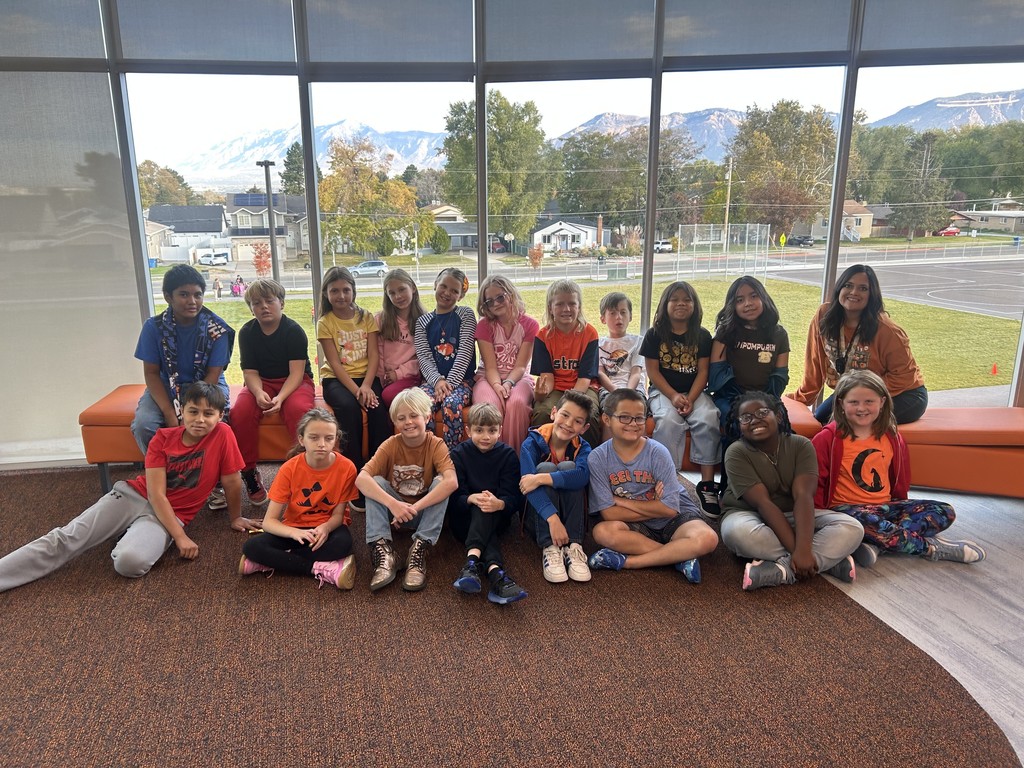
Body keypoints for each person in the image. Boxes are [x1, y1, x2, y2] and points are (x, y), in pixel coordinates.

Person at [0, 382, 262, 593]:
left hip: (169, 515)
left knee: (130, 563)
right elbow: (156, 493)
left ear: (219, 415)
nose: (200, 420)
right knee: (69, 537)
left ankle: (127, 534)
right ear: (181, 411)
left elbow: (230, 480)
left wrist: (235, 516)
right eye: (193, 411)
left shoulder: (224, 435)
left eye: (208, 414)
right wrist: (180, 538)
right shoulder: (162, 439)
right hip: (133, 497)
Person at [812, 370, 985, 566]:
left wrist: (901, 507)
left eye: (869, 401)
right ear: (841, 403)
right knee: (870, 522)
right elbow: (815, 482)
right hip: (846, 512)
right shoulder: (827, 439)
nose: (862, 408)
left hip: (885, 508)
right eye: (854, 402)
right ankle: (931, 549)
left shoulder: (892, 437)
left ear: (882, 402)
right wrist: (816, 520)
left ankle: (877, 543)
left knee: (944, 511)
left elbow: (900, 478)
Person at [720, 391, 864, 591]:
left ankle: (783, 570)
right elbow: (763, 504)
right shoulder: (736, 452)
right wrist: (800, 551)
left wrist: (804, 551)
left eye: (762, 412)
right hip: (750, 516)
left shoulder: (801, 445)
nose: (754, 420)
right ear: (740, 425)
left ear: (778, 416)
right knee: (736, 533)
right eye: (746, 418)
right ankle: (827, 561)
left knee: (853, 527)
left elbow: (804, 497)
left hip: (795, 514)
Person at [587, 389, 718, 583]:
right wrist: (657, 507)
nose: (633, 424)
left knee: (708, 538)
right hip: (637, 526)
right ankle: (678, 557)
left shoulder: (658, 452)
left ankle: (630, 562)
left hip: (677, 519)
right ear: (607, 419)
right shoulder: (597, 458)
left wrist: (622, 502)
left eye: (639, 418)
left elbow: (671, 509)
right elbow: (609, 514)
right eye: (624, 417)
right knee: (602, 532)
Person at [131, 265, 234, 509]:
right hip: (166, 385)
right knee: (144, 425)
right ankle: (166, 481)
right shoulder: (153, 327)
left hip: (206, 386)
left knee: (214, 423)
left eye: (198, 294)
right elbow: (152, 374)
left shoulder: (217, 329)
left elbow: (212, 375)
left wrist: (190, 411)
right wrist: (170, 413)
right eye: (184, 294)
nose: (192, 301)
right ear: (168, 297)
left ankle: (210, 483)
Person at [791, 263, 927, 424]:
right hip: (851, 391)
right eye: (848, 285)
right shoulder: (823, 316)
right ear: (839, 288)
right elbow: (814, 361)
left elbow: (905, 377)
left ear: (872, 295)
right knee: (820, 419)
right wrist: (800, 398)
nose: (854, 292)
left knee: (842, 422)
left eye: (863, 288)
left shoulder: (887, 330)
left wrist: (860, 395)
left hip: (905, 395)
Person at [239, 408, 359, 589]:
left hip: (325, 529)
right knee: (251, 547)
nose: (322, 444)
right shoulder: (289, 469)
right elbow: (269, 522)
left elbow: (338, 515)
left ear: (336, 439)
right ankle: (319, 568)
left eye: (329, 438)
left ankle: (272, 561)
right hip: (294, 528)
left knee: (343, 544)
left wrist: (325, 528)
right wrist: (295, 533)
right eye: (314, 437)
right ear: (302, 439)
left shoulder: (347, 468)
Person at [355, 388, 459, 592]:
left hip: (423, 514)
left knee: (442, 482)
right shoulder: (390, 445)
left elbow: (452, 482)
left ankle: (419, 549)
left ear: (427, 416)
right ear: (395, 422)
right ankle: (383, 551)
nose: (408, 422)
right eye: (401, 418)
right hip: (394, 516)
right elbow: (361, 479)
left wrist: (413, 508)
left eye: (414, 415)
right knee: (374, 481)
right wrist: (394, 505)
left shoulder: (436, 445)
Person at [230, 278, 315, 506]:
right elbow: (250, 371)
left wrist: (280, 398)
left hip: (294, 381)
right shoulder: (247, 332)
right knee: (240, 412)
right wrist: (258, 393)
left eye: (270, 301)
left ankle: (302, 469)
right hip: (261, 381)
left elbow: (296, 373)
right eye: (257, 303)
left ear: (282, 304)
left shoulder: (294, 330)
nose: (264, 306)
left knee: (298, 410)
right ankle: (248, 472)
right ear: (251, 308)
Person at [640, 281, 722, 518]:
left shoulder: (703, 336)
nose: (681, 304)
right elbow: (653, 372)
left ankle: (707, 485)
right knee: (667, 421)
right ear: (665, 305)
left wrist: (690, 398)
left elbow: (704, 372)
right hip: (663, 392)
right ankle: (667, 481)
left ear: (695, 305)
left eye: (687, 300)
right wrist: (674, 396)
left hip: (696, 392)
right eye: (674, 299)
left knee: (708, 417)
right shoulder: (654, 335)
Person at [317, 266, 390, 495]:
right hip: (337, 379)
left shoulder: (366, 317)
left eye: (346, 290)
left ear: (353, 291)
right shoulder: (325, 322)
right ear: (326, 294)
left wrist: (367, 386)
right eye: (334, 291)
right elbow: (335, 364)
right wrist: (357, 391)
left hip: (366, 376)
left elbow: (374, 355)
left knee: (378, 409)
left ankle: (377, 471)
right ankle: (355, 474)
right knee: (348, 409)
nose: (341, 296)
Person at [449, 403, 527, 604]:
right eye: (479, 430)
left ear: (500, 430)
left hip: (497, 518)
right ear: (468, 431)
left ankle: (472, 563)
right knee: (481, 504)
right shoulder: (458, 455)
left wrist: (499, 504)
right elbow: (453, 500)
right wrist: (470, 499)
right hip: (464, 523)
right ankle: (496, 574)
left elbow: (513, 499)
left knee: (486, 505)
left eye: (492, 431)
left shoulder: (508, 455)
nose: (486, 436)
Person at [520, 389, 594, 584]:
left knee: (569, 467)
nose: (569, 424)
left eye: (577, 421)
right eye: (565, 415)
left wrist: (541, 479)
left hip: (571, 518)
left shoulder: (583, 447)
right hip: (540, 518)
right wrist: (553, 520)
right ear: (554, 413)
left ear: (584, 428)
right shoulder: (532, 442)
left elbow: (582, 477)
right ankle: (550, 548)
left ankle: (574, 546)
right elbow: (527, 486)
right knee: (545, 466)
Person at [709, 276, 789, 427]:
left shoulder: (779, 334)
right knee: (739, 423)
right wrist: (742, 401)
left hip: (767, 397)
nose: (748, 304)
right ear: (732, 305)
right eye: (740, 300)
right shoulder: (725, 332)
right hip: (730, 398)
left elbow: (780, 375)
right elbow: (716, 375)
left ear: (763, 297)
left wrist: (761, 401)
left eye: (754, 296)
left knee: (777, 422)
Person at [530, 279, 601, 447]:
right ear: (550, 308)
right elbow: (548, 377)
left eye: (572, 304)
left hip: (584, 388)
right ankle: (544, 457)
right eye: (560, 304)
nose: (566, 309)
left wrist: (566, 408)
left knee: (587, 414)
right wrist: (540, 395)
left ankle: (586, 461)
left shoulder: (589, 333)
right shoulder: (543, 335)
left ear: (579, 307)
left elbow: (585, 378)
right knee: (543, 413)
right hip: (556, 387)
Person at [472, 274, 538, 452]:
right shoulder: (484, 325)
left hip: (519, 378)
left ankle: (514, 461)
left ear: (511, 294)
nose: (495, 304)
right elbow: (490, 367)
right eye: (489, 301)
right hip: (488, 378)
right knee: (489, 404)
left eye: (500, 297)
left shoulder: (530, 325)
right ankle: (492, 463)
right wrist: (497, 385)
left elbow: (521, 366)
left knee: (516, 403)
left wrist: (508, 383)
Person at [415, 267, 477, 449]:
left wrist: (448, 384)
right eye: (443, 286)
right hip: (432, 382)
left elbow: (465, 352)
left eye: (454, 291)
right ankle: (428, 453)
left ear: (461, 296)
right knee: (420, 405)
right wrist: (437, 382)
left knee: (451, 403)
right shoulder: (422, 322)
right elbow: (424, 357)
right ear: (435, 285)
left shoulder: (465, 315)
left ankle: (453, 457)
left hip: (461, 381)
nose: (447, 293)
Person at [596, 291, 647, 442]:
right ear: (603, 319)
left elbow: (636, 372)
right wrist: (615, 391)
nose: (619, 317)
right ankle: (608, 457)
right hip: (609, 390)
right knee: (609, 414)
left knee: (636, 412)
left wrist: (627, 392)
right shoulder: (599, 344)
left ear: (630, 316)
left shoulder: (638, 341)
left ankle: (639, 456)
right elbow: (600, 373)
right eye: (612, 313)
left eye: (623, 312)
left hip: (635, 388)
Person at [376, 268, 426, 410]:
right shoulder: (381, 320)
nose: (398, 296)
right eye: (392, 292)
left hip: (409, 376)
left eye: (402, 289)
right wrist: (380, 379)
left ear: (413, 288)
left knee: (388, 395)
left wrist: (398, 374)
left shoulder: (423, 321)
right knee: (375, 398)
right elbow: (377, 351)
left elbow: (422, 358)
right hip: (384, 377)